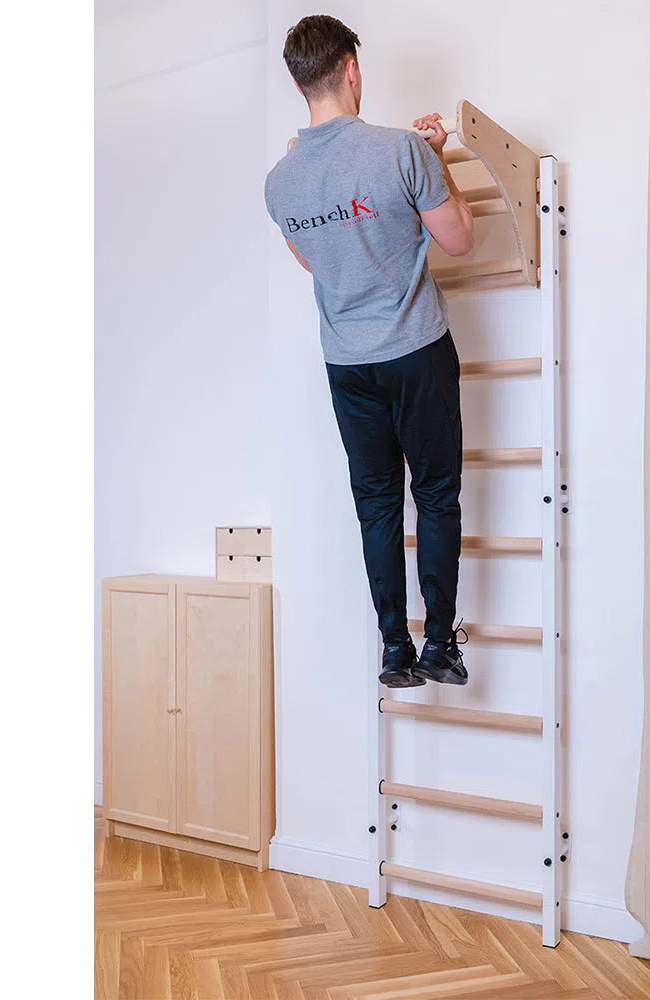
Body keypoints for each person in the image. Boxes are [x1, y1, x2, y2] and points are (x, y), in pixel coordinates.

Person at [264, 15, 475, 688]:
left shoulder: (281, 182)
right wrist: (435, 154)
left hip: (346, 364)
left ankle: (394, 650)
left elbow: (312, 262)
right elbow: (460, 240)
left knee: (377, 505)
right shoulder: (400, 150)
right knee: (436, 494)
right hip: (415, 349)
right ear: (351, 70)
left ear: (299, 83)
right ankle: (438, 644)